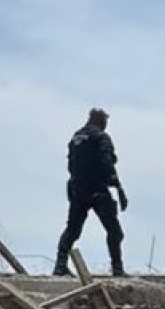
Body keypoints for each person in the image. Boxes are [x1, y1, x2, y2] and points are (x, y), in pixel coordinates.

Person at [53, 108, 129, 277]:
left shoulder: (76, 137)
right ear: (102, 122)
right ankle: (117, 269)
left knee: (72, 229)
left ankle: (60, 265)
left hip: (77, 189)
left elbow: (70, 164)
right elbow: (106, 162)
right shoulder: (101, 137)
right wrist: (118, 187)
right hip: (97, 190)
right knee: (115, 231)